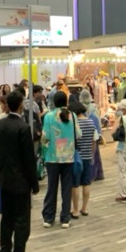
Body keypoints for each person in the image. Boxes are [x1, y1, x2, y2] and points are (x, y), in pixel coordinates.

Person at [0, 91, 38, 252]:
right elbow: (29, 160)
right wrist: (34, 183)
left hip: (4, 179)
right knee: (21, 222)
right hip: (20, 182)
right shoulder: (23, 128)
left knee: (7, 219)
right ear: (20, 105)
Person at [41, 92, 78, 228]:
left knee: (51, 187)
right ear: (66, 101)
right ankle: (65, 218)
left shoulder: (48, 116)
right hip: (68, 156)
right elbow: (78, 134)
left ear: (54, 102)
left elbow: (45, 137)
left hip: (52, 156)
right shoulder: (72, 116)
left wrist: (44, 151)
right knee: (67, 188)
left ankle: (48, 217)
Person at [70, 101, 97, 219]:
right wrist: (92, 155)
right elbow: (94, 141)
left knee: (75, 184)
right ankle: (85, 208)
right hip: (87, 157)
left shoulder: (73, 124)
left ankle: (75, 210)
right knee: (86, 183)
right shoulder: (91, 122)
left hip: (76, 158)